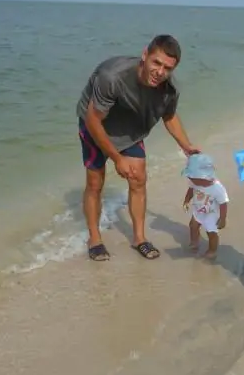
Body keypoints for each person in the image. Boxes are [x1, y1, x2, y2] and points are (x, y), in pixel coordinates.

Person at [76, 35, 200, 261]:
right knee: (95, 182)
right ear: (145, 55)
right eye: (156, 63)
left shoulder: (169, 90)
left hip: (130, 126)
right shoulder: (112, 77)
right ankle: (94, 238)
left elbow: (169, 115)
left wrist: (186, 146)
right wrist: (116, 157)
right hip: (95, 122)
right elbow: (93, 120)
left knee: (138, 179)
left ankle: (139, 238)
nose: (160, 72)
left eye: (167, 68)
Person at [181, 153, 229, 259]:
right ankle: (194, 242)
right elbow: (190, 190)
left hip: (211, 214)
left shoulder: (218, 188)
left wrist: (223, 218)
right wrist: (186, 201)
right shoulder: (194, 182)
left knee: (211, 233)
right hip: (198, 210)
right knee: (193, 225)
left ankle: (212, 250)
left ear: (204, 177)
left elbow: (223, 203)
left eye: (191, 177)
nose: (189, 178)